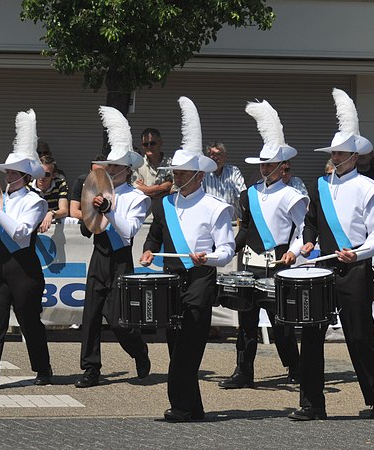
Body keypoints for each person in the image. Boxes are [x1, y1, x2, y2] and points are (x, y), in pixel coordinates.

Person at [291, 88, 374, 420]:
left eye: (340, 153)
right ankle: (311, 404)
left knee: (359, 336)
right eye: (333, 153)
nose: (335, 158)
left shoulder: (371, 188)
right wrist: (307, 240)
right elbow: (310, 221)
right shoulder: (320, 185)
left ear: (355, 156)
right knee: (311, 336)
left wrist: (358, 254)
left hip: (354, 269)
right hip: (323, 268)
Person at [140, 97, 235, 422]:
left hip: (199, 282)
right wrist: (149, 249)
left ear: (197, 174)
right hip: (170, 283)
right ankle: (192, 407)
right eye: (175, 172)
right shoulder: (165, 205)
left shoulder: (216, 207)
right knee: (174, 346)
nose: (176, 176)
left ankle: (181, 406)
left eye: (181, 172)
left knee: (188, 351)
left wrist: (207, 257)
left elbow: (227, 251)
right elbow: (156, 236)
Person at [218, 100, 307, 390]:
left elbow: (304, 230)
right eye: (262, 164)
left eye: (269, 164)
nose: (264, 169)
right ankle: (243, 372)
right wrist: (229, 247)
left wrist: (294, 251)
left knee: (281, 324)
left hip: (277, 266)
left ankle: (295, 367)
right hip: (248, 265)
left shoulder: (293, 196)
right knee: (246, 323)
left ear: (282, 167)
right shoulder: (249, 195)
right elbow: (245, 229)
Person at [0, 109, 53, 391]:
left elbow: (20, 233)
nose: (7, 174)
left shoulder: (35, 201)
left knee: (29, 320)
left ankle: (43, 368)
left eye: (13, 171)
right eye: (7, 170)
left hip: (23, 267)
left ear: (24, 174)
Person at [74, 106, 152, 389]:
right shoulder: (98, 190)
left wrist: (109, 209)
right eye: (109, 166)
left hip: (120, 259)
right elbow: (87, 226)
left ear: (128, 169)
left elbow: (129, 230)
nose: (111, 170)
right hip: (100, 254)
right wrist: (91, 212)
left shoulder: (136, 198)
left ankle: (139, 350)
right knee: (91, 315)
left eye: (117, 166)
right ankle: (90, 369)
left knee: (118, 320)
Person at [203, 141, 246, 219]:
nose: (215, 158)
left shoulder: (233, 171)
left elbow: (242, 195)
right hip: (210, 221)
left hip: (231, 221)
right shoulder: (203, 174)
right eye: (211, 155)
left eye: (218, 154)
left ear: (225, 156)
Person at [31, 154, 69, 233]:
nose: (42, 177)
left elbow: (64, 210)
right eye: (40, 172)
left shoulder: (60, 184)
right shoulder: (28, 184)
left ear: (53, 175)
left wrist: (51, 214)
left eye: (47, 174)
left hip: (52, 223)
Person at [133, 128, 173, 198]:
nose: (149, 147)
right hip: (146, 208)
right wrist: (163, 187)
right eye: (145, 144)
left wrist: (147, 190)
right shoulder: (138, 165)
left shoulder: (171, 164)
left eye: (152, 143)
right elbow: (136, 189)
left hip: (165, 208)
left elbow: (176, 188)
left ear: (160, 143)